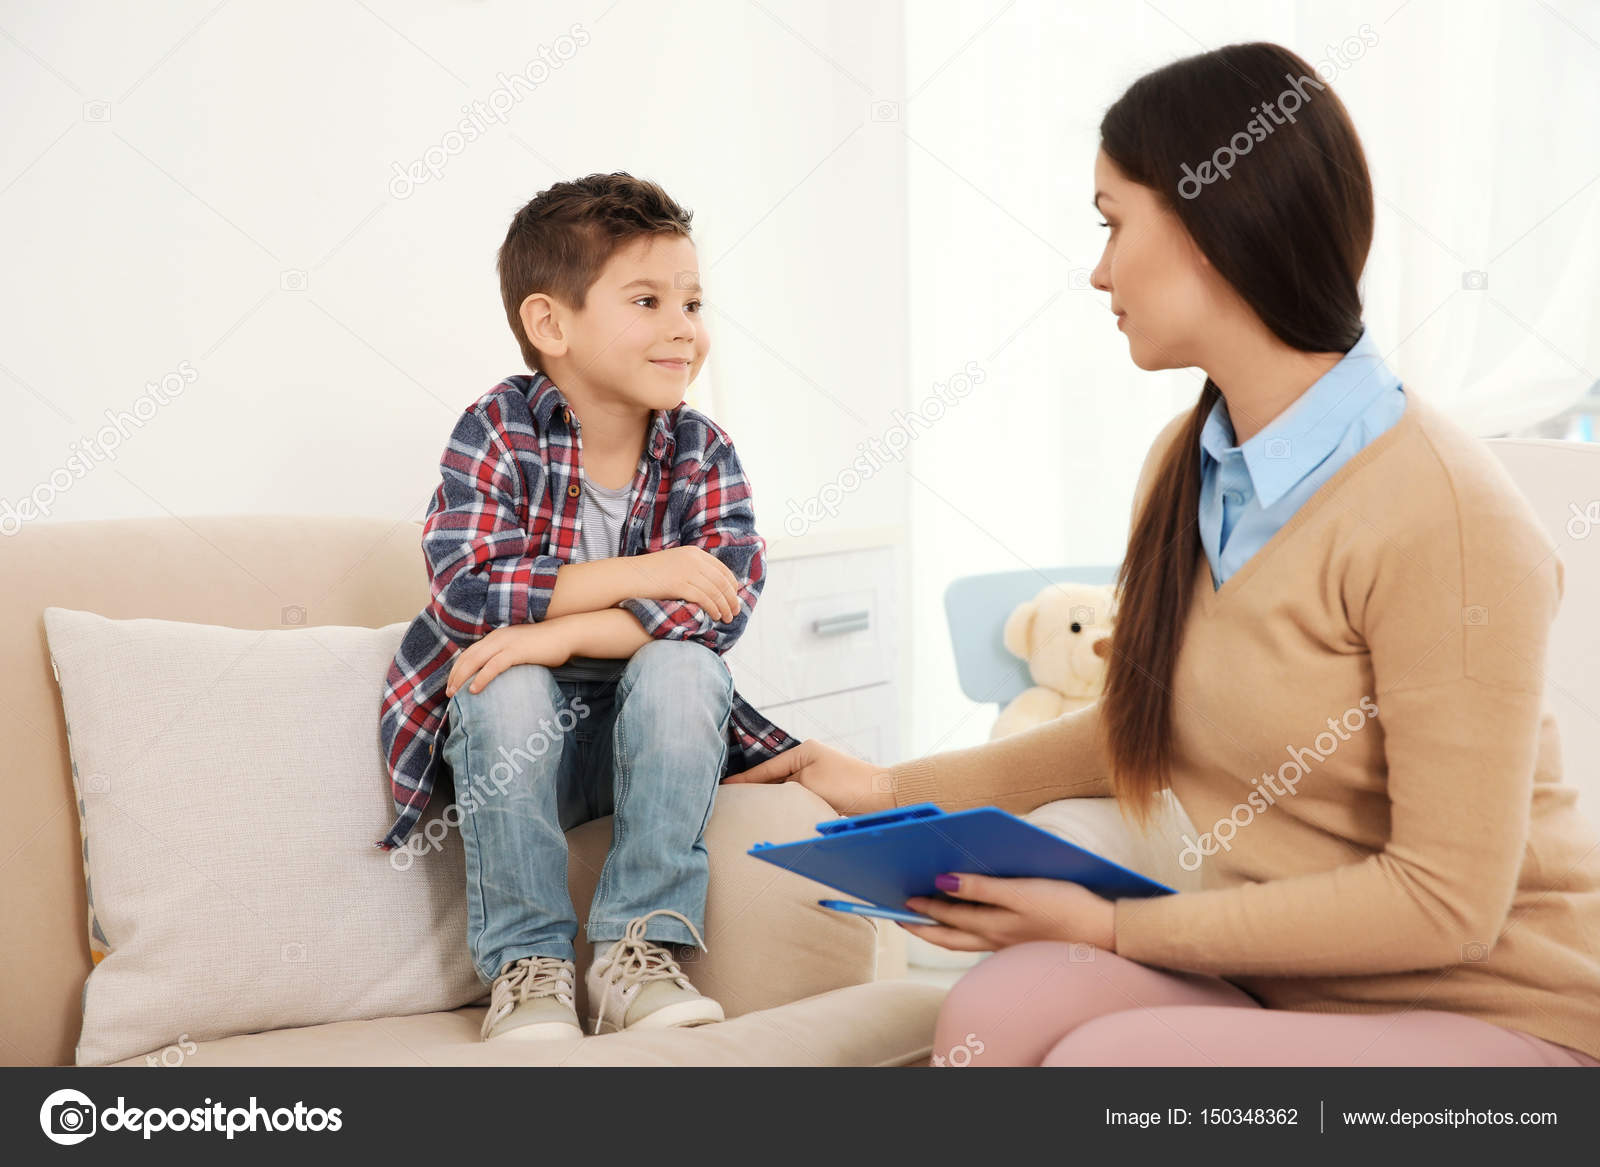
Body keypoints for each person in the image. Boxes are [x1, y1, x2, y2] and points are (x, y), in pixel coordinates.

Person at [732, 43, 1600, 1067]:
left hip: (1505, 1013)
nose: (1098, 270)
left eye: (1111, 223)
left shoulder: (1445, 516)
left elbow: (1446, 904)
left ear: (1207, 227)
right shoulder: (1184, 466)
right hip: (1281, 989)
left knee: (1106, 1064)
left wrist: (1113, 929)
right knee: (990, 1018)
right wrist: (887, 789)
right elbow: (1144, 729)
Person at [377, 173, 797, 1041]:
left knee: (686, 667)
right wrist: (650, 572)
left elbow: (719, 608)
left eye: (692, 302)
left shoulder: (702, 449)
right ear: (550, 324)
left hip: (644, 750)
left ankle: (636, 950)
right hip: (514, 749)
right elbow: (468, 588)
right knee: (503, 681)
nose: (684, 326)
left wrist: (556, 633)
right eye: (648, 300)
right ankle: (527, 964)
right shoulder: (499, 428)